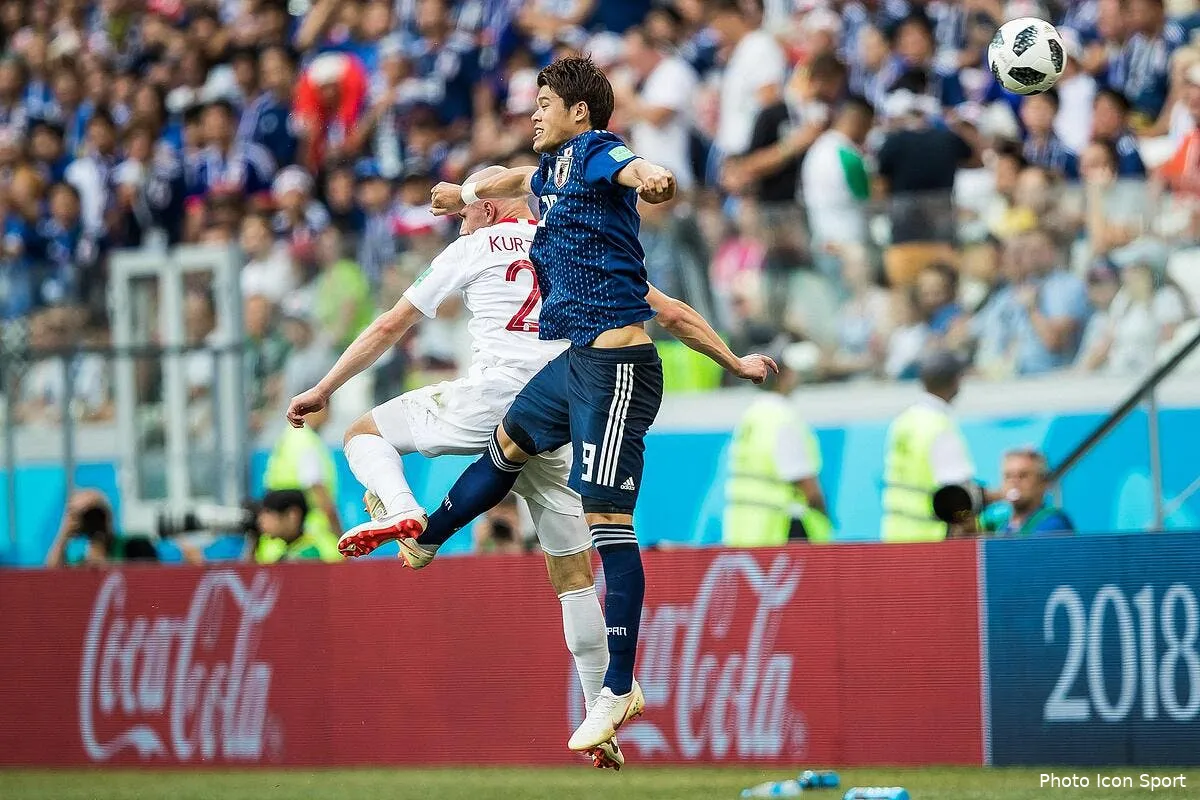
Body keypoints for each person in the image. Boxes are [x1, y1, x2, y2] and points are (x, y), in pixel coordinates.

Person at [287, 159, 772, 769]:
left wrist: (325, 387)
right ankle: (602, 709)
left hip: (496, 396)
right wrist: (735, 360)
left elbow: (389, 325)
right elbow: (671, 312)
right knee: (572, 574)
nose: (461, 222)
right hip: (565, 407)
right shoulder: (565, 243)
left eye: (467, 212)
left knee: (363, 435)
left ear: (490, 209)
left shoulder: (476, 246)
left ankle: (410, 517)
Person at [723, 344, 831, 547]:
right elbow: (804, 482)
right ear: (785, 376)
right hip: (780, 530)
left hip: (745, 530)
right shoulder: (783, 418)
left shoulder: (751, 416)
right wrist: (825, 514)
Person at [881, 349, 979, 543]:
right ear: (956, 381)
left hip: (895, 535)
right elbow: (957, 498)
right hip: (931, 540)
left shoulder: (903, 421)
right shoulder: (940, 427)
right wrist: (975, 535)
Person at [261, 398, 343, 563]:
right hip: (309, 544)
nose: (329, 418)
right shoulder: (307, 442)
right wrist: (341, 537)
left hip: (275, 545)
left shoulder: (288, 437)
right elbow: (318, 491)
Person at [979, 448, 1075, 536]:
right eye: (1008, 476)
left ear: (1043, 483)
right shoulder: (1002, 525)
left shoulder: (1053, 522)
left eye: (1023, 476)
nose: (1014, 482)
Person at [253, 488, 342, 563]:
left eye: (268, 512)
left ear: (293, 515)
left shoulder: (312, 551)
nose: (260, 520)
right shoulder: (284, 548)